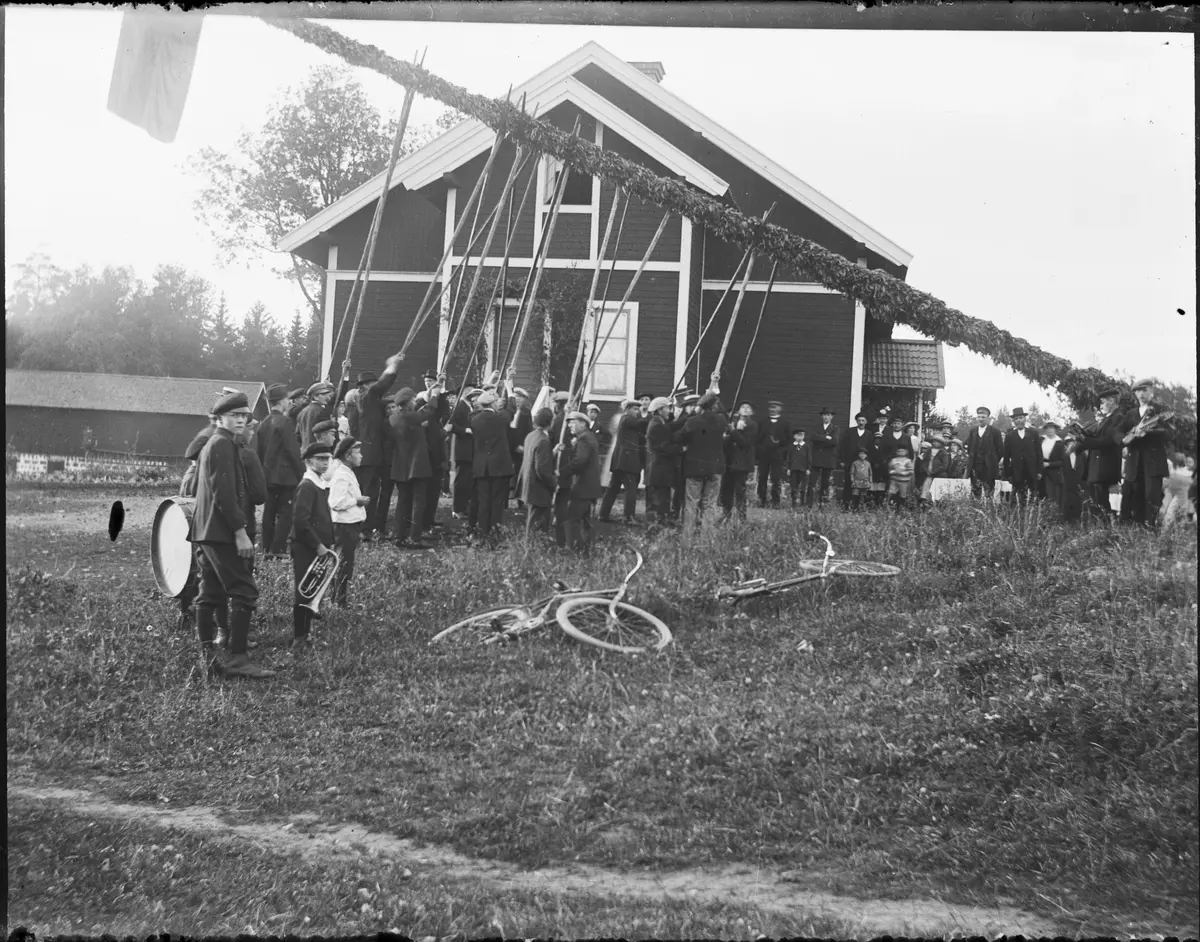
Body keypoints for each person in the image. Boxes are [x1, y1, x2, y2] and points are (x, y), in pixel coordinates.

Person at [187, 391, 274, 679]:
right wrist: (240, 532)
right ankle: (237, 658)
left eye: (244, 416)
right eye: (235, 416)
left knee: (209, 593)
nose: (241, 420)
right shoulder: (222, 444)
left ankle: (208, 658)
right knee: (244, 591)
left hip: (207, 531)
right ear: (221, 418)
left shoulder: (218, 443)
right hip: (222, 532)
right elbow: (224, 494)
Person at [290, 441, 336, 648]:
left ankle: (306, 632)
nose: (325, 463)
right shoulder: (308, 485)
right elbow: (301, 521)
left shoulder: (318, 482)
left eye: (327, 458)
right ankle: (300, 636)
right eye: (320, 459)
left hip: (316, 546)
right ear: (309, 462)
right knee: (305, 590)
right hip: (306, 546)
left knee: (313, 588)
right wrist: (317, 545)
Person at [352, 356, 401, 542]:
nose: (375, 386)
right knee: (370, 493)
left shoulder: (370, 400)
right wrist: (392, 366)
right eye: (372, 383)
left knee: (372, 492)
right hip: (371, 456)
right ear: (365, 386)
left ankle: (371, 527)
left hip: (372, 455)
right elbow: (382, 386)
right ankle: (366, 529)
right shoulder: (367, 396)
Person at [256, 384, 306, 559]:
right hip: (286, 478)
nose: (289, 402)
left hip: (268, 476)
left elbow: (259, 453)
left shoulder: (264, 423)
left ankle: (266, 549)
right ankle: (278, 550)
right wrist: (302, 475)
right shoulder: (285, 422)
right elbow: (293, 452)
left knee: (269, 513)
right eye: (286, 399)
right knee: (286, 514)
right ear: (280, 401)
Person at [389, 384, 441, 550]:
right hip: (416, 465)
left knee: (403, 502)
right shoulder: (409, 417)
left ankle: (399, 536)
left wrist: (430, 389)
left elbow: (419, 411)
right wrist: (435, 395)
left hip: (401, 466)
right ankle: (415, 537)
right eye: (412, 400)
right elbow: (429, 411)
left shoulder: (395, 416)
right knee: (419, 502)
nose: (414, 402)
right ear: (408, 402)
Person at [674, 386, 728, 534]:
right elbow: (725, 419)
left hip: (694, 468)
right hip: (715, 468)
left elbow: (678, 437)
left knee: (692, 502)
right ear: (714, 405)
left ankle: (688, 535)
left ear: (700, 407)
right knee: (709, 504)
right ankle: (707, 536)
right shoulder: (721, 421)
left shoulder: (693, 421)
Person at [1118, 377, 1171, 526]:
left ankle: (1151, 529)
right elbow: (1118, 433)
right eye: (1138, 391)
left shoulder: (1161, 410)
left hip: (1154, 462)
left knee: (1152, 497)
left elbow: (1169, 433)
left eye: (1144, 390)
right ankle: (1138, 532)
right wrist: (1128, 437)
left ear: (1151, 392)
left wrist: (1148, 432)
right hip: (1134, 462)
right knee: (1135, 497)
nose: (1141, 394)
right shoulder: (1130, 414)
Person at [471, 387, 515, 545]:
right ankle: (494, 535)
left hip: (482, 467)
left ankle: (483, 533)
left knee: (484, 502)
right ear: (492, 403)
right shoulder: (500, 418)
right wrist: (509, 388)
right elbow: (511, 409)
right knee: (496, 502)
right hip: (499, 466)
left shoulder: (474, 420)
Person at [328, 436, 369, 607]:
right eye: (357, 452)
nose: (361, 456)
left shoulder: (347, 471)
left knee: (345, 562)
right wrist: (357, 501)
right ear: (347, 455)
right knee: (343, 564)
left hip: (349, 525)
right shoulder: (341, 475)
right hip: (344, 526)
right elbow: (336, 503)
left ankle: (337, 598)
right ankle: (339, 601)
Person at [556, 410, 602, 553]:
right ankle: (587, 549)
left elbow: (581, 460)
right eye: (568, 422)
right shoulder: (588, 437)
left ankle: (574, 550)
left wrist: (562, 472)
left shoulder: (583, 439)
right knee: (586, 519)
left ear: (583, 424)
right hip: (590, 486)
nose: (569, 425)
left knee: (572, 518)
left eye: (573, 422)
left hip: (583, 486)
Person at [1073, 387, 1124, 518]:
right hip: (1096, 469)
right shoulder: (1107, 419)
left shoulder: (1118, 418)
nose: (1101, 406)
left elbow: (1107, 441)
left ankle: (1106, 531)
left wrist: (1085, 440)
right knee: (1096, 503)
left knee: (1102, 504)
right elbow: (1096, 438)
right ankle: (1100, 530)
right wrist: (1082, 435)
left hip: (1105, 468)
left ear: (1112, 401)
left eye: (1103, 402)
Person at [600, 398, 647, 525]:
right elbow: (642, 423)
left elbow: (640, 435)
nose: (637, 411)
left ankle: (603, 514)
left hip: (620, 461)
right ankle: (628, 517)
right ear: (627, 410)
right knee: (631, 488)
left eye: (638, 409)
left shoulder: (628, 421)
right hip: (627, 461)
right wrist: (651, 412)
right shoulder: (626, 419)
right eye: (635, 409)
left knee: (613, 488)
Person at [416, 372, 451, 533]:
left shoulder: (433, 413)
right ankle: (422, 523)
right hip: (427, 457)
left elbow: (442, 409)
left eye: (431, 381)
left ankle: (429, 520)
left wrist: (441, 388)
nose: (429, 384)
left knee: (434, 490)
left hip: (436, 457)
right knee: (425, 492)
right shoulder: (421, 404)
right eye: (427, 381)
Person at [520, 407, 558, 536]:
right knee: (538, 523)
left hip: (529, 485)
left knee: (533, 519)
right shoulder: (544, 441)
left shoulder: (531, 436)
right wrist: (554, 482)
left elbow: (535, 459)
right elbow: (541, 469)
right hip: (539, 488)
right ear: (550, 423)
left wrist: (552, 453)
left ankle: (531, 550)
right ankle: (532, 552)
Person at [644, 397, 680, 526]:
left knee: (663, 497)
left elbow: (671, 426)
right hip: (660, 468)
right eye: (667, 408)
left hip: (660, 468)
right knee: (661, 498)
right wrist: (680, 448)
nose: (669, 411)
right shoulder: (657, 425)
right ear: (660, 410)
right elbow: (664, 447)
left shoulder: (658, 422)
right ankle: (659, 525)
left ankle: (660, 523)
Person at [448, 386, 480, 527]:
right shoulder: (459, 406)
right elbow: (450, 424)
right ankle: (457, 508)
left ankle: (464, 507)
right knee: (461, 480)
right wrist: (464, 430)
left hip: (470, 448)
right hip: (463, 448)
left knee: (467, 480)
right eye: (469, 390)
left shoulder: (469, 406)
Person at [720, 401, 757, 522]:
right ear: (738, 411)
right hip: (730, 462)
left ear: (751, 412)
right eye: (743, 407)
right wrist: (727, 436)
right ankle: (726, 513)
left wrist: (734, 431)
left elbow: (744, 442)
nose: (745, 409)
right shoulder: (733, 423)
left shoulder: (752, 426)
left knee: (739, 490)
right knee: (726, 489)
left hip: (742, 463)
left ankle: (742, 517)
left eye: (748, 407)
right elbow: (727, 443)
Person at [754, 400, 790, 508]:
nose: (772, 409)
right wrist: (759, 450)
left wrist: (782, 450)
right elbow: (757, 438)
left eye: (775, 407)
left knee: (776, 478)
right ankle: (762, 500)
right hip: (764, 454)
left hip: (777, 455)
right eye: (771, 407)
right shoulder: (763, 422)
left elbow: (788, 440)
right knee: (762, 477)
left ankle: (775, 501)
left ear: (780, 409)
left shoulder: (785, 423)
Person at [1003, 407, 1042, 504]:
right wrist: (1008, 474)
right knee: (1018, 498)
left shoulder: (1033, 433)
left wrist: (1039, 471)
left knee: (1032, 497)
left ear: (1025, 419)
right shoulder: (1010, 435)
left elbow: (1039, 453)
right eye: (1016, 419)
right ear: (1013, 421)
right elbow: (1006, 457)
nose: (1019, 420)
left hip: (1032, 471)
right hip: (1016, 472)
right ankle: (1018, 517)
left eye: (1020, 418)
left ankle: (1032, 516)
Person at [966, 406, 1004, 499]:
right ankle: (975, 510)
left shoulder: (995, 432)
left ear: (988, 418)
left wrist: (993, 460)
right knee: (975, 490)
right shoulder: (973, 431)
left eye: (983, 417)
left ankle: (988, 510)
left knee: (989, 491)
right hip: (975, 466)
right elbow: (969, 447)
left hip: (989, 467)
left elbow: (1000, 450)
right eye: (979, 417)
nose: (981, 419)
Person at [840, 412, 875, 509]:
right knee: (849, 482)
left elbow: (870, 448)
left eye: (863, 420)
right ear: (856, 421)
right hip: (850, 461)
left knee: (862, 485)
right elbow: (843, 446)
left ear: (866, 422)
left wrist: (868, 461)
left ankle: (858, 506)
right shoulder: (850, 431)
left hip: (863, 463)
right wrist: (842, 460)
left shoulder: (869, 434)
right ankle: (846, 505)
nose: (861, 422)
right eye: (859, 420)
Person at [808, 407, 840, 506]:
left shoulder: (835, 428)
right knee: (812, 482)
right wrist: (825, 437)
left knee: (825, 483)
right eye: (824, 415)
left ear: (832, 417)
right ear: (822, 416)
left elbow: (834, 441)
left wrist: (820, 439)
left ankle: (822, 504)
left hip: (828, 459)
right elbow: (812, 438)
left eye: (828, 415)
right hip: (816, 458)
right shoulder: (816, 427)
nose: (826, 417)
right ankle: (809, 503)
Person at [297, 381, 335, 450]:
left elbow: (298, 436)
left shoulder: (302, 412)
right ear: (315, 396)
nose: (328, 398)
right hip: (320, 451)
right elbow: (328, 435)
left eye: (327, 394)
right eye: (323, 394)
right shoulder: (322, 411)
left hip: (306, 452)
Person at [1039, 421, 1066, 506]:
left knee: (1054, 495)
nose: (1049, 430)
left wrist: (1050, 464)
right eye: (1047, 428)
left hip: (1054, 472)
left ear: (1055, 430)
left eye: (1051, 428)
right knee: (1042, 494)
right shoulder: (1041, 440)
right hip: (1042, 471)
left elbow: (1063, 461)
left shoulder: (1060, 443)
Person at [918, 434, 950, 506]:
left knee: (937, 490)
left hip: (938, 474)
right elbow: (924, 461)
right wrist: (926, 470)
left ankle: (937, 504)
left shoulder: (943, 452)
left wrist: (935, 472)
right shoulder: (928, 451)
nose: (935, 443)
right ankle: (924, 502)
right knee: (926, 487)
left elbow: (945, 465)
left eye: (938, 442)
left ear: (941, 443)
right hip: (928, 473)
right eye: (934, 441)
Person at [787, 428, 811, 508]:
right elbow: (788, 458)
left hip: (803, 470)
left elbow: (809, 458)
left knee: (803, 487)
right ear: (795, 436)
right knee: (794, 487)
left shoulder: (806, 447)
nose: (800, 437)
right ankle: (793, 503)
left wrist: (808, 468)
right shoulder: (791, 446)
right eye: (798, 435)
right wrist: (788, 468)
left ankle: (802, 503)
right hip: (793, 469)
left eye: (802, 435)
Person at [887, 446, 915, 510]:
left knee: (903, 494)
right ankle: (891, 507)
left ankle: (902, 507)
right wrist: (893, 472)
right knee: (891, 493)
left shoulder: (908, 461)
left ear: (906, 452)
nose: (901, 452)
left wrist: (903, 473)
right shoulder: (893, 460)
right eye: (899, 451)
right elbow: (889, 469)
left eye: (902, 451)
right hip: (894, 480)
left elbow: (911, 471)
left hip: (903, 481)